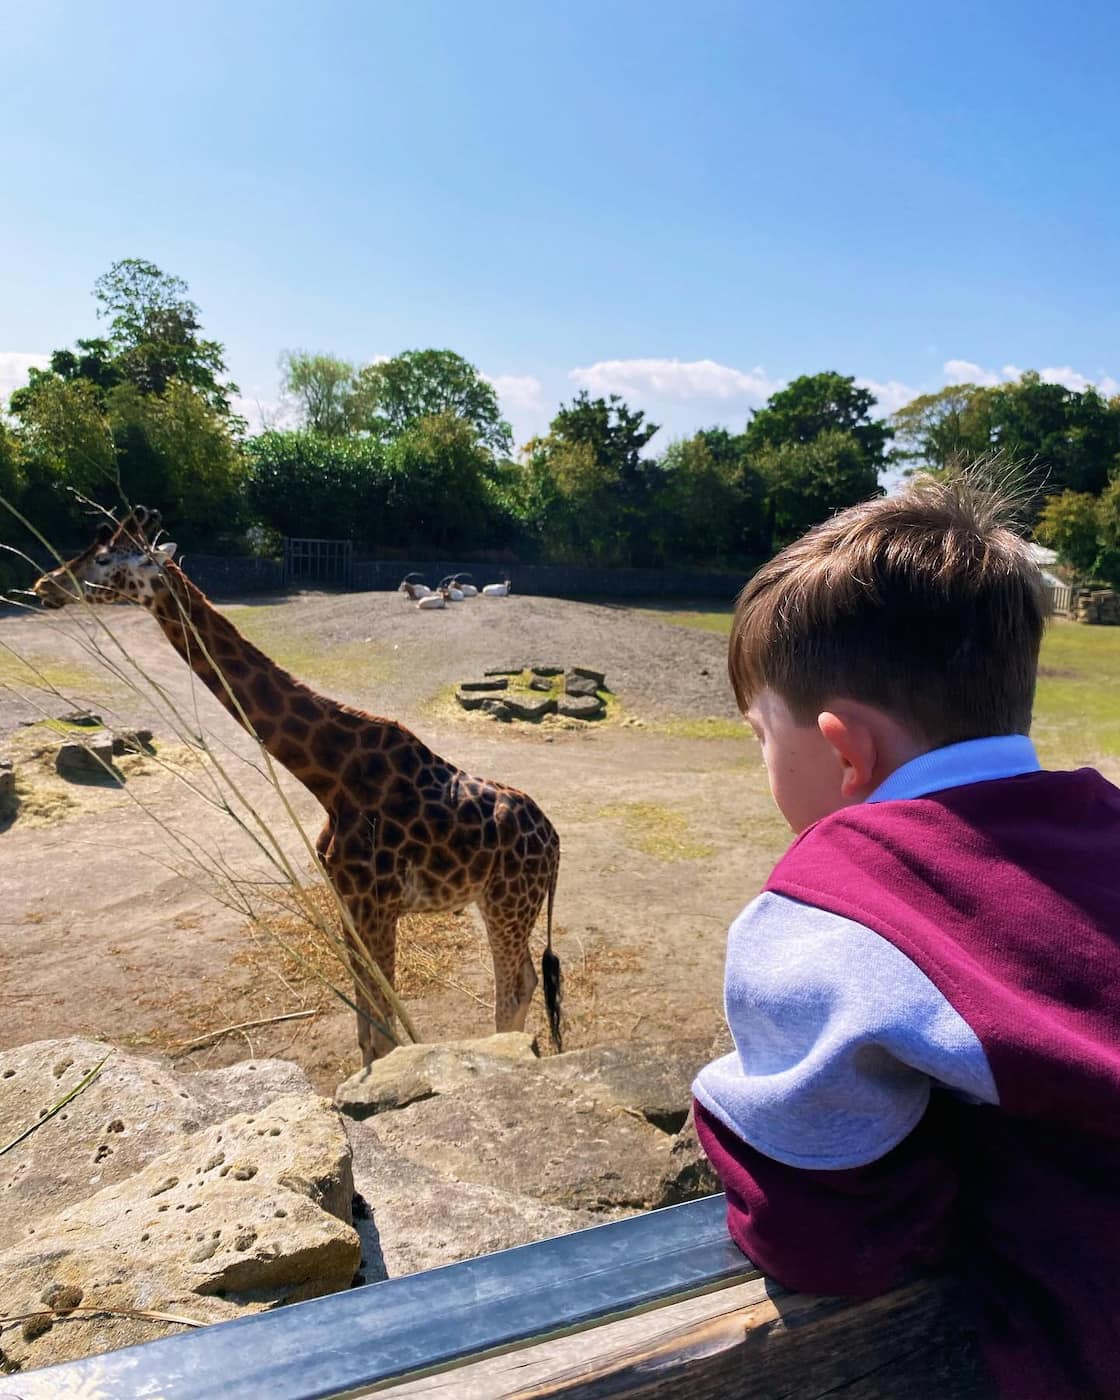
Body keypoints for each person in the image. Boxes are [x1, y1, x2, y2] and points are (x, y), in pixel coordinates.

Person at [691, 474, 1120, 1398]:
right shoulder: (1104, 823)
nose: (765, 766)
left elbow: (827, 1232)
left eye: (762, 736)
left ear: (847, 754)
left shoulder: (842, 895)